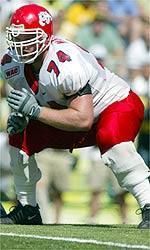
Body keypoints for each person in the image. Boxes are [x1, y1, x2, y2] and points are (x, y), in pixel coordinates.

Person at [0, 4, 150, 228]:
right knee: (18, 136)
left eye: (27, 37)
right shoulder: (11, 65)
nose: (20, 43)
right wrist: (22, 118)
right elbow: (35, 103)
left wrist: (35, 112)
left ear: (46, 36)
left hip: (115, 104)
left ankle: (148, 203)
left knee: (111, 137)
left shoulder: (65, 63)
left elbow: (83, 119)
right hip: (72, 113)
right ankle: (27, 208)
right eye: (17, 36)